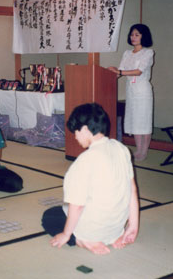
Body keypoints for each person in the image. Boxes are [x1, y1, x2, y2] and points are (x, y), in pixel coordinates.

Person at [41, 103, 139, 255]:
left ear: (85, 129)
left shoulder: (84, 161)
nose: (75, 137)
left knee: (50, 216)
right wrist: (133, 226)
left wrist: (66, 235)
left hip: (92, 230)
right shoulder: (121, 149)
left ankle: (82, 240)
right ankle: (110, 237)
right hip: (116, 228)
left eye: (76, 132)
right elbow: (132, 189)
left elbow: (77, 205)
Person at [108, 23, 154, 161]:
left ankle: (143, 151)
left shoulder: (148, 52)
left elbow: (139, 71)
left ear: (143, 36)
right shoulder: (127, 53)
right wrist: (107, 73)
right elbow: (119, 72)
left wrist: (119, 71)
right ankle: (138, 150)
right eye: (132, 34)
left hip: (142, 90)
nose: (133, 37)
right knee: (134, 121)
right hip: (131, 90)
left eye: (137, 35)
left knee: (143, 121)